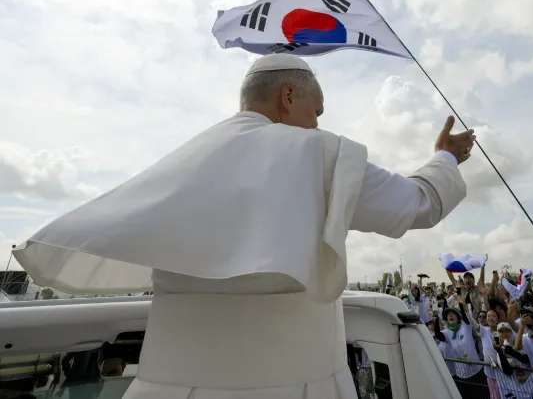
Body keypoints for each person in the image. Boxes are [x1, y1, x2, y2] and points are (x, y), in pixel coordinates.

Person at [11, 54, 476, 399]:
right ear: (288, 96)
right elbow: (419, 205)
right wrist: (446, 157)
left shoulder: (184, 159)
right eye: (317, 110)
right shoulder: (320, 155)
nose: (318, 123)